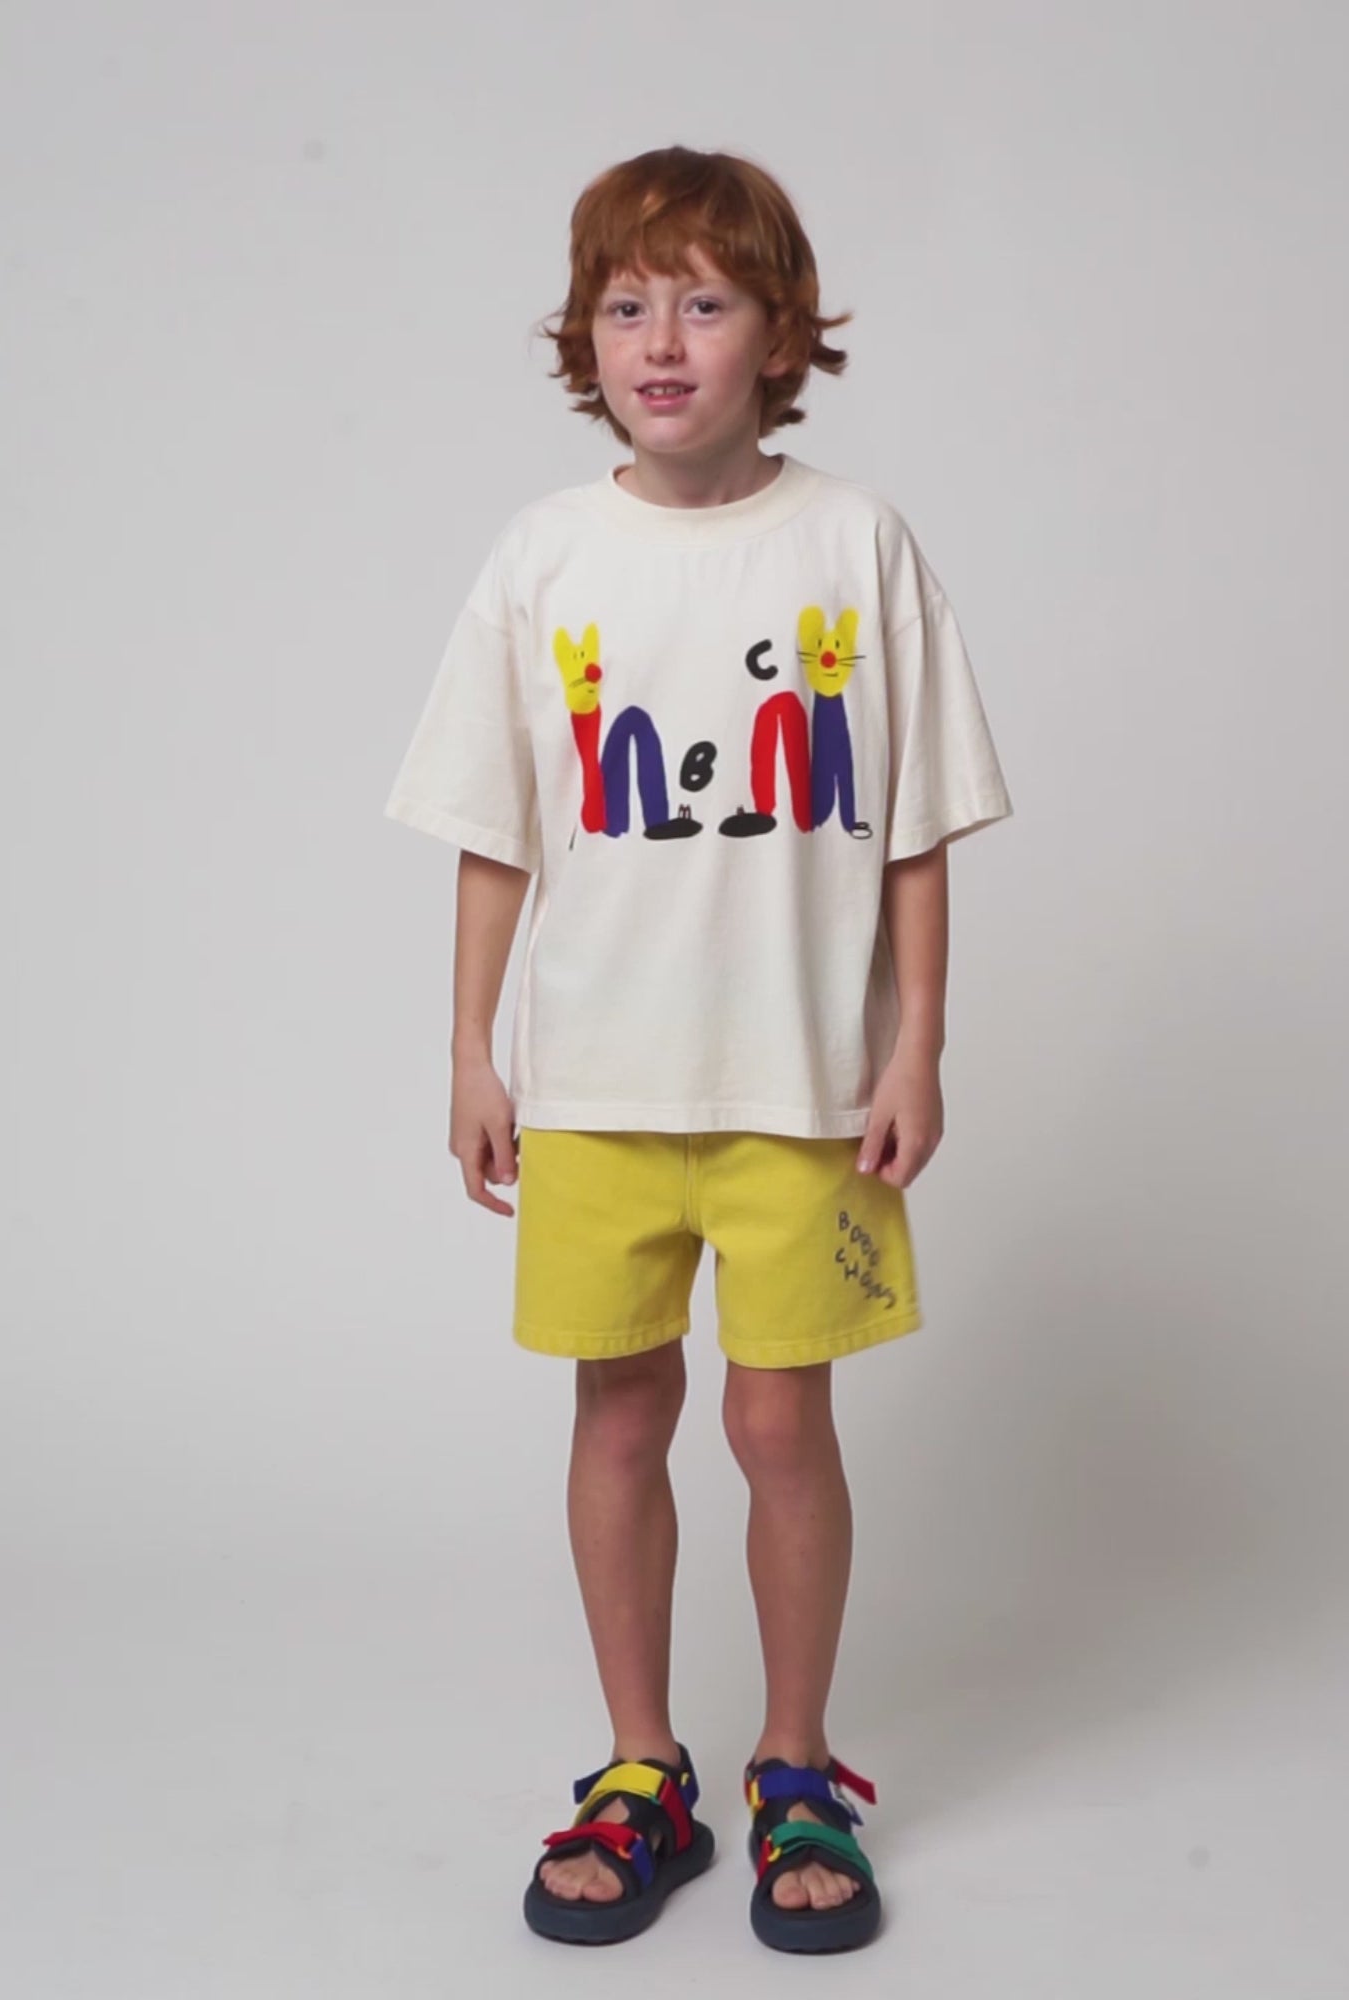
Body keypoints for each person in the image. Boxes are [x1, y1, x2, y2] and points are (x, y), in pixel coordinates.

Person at [382, 144, 1014, 1954]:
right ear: (585, 339)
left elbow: (915, 829)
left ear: (780, 335)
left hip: (804, 1087)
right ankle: (639, 1768)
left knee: (779, 1418)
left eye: (705, 303)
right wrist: (470, 1049)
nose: (662, 341)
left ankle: (796, 1766)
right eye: (626, 305)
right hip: (596, 1084)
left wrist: (920, 1047)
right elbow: (495, 831)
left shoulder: (856, 545)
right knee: (620, 1407)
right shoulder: (544, 558)